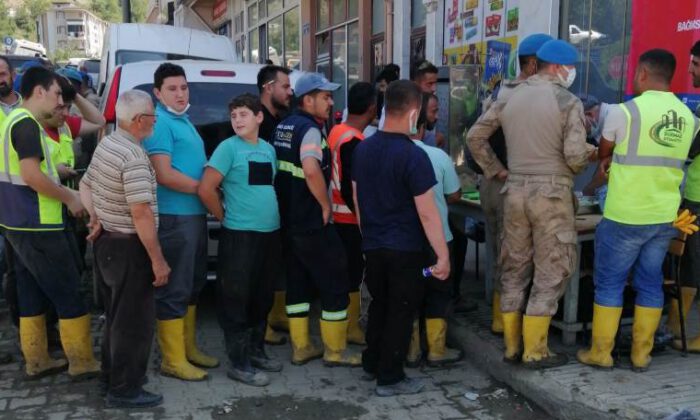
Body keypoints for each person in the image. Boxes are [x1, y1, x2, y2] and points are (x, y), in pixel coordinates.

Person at [467, 39, 596, 369]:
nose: (572, 73)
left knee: (513, 267)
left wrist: (496, 169)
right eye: (571, 67)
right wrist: (594, 153)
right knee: (552, 267)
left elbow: (474, 138)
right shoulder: (567, 101)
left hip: (514, 191)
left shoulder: (510, 96)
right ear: (556, 67)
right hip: (551, 195)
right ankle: (536, 350)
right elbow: (575, 158)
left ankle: (511, 346)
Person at [577, 49, 700, 371]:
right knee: (650, 282)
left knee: (610, 283)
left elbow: (605, 151)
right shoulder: (689, 118)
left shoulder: (624, 112)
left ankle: (601, 353)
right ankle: (641, 355)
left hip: (624, 215)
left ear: (643, 74)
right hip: (663, 217)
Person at [0, 66, 100, 380]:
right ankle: (82, 362)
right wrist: (70, 198)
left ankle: (37, 360)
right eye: (57, 93)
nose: (60, 100)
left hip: (16, 222)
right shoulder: (28, 124)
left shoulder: (13, 120)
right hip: (39, 223)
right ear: (39, 91)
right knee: (69, 289)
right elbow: (31, 175)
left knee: (30, 292)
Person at [353, 80, 450, 396]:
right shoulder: (413, 156)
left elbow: (357, 200)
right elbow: (427, 213)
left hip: (373, 245)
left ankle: (372, 363)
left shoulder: (363, 148)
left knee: (381, 304)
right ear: (414, 111)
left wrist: (367, 236)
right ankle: (390, 377)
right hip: (406, 250)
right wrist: (442, 255)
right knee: (401, 309)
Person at [79, 89, 167, 408]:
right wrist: (157, 261)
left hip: (107, 246)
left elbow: (85, 183)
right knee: (133, 324)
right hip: (130, 248)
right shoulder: (133, 157)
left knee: (116, 317)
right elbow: (141, 213)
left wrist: (95, 215)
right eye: (153, 117)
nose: (155, 122)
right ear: (140, 120)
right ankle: (125, 389)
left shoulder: (108, 144)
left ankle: (111, 377)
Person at [272, 72, 360, 367]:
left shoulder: (284, 125)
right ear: (307, 100)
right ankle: (335, 351)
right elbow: (310, 169)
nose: (330, 102)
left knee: (297, 282)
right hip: (311, 220)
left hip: (289, 220)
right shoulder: (310, 130)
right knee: (335, 280)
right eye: (325, 96)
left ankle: (301, 347)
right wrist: (325, 206)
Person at [470, 33, 553, 334]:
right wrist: (500, 170)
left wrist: (494, 170)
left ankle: (500, 319)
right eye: (550, 65)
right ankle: (511, 326)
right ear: (533, 65)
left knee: (501, 255)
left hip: (494, 187)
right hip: (510, 188)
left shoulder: (499, 92)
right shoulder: (521, 95)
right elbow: (475, 138)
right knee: (516, 260)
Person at [198, 94, 283, 386]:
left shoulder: (268, 150)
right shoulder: (227, 149)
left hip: (269, 234)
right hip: (239, 236)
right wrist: (223, 217)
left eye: (244, 115)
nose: (237, 121)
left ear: (259, 117)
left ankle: (256, 351)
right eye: (234, 116)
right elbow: (206, 189)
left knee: (262, 296)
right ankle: (239, 362)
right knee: (236, 298)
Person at [143, 62, 218, 382]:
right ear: (158, 93)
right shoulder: (160, 123)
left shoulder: (182, 120)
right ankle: (172, 360)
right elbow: (164, 174)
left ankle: (188, 349)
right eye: (172, 88)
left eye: (184, 87)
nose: (179, 93)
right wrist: (205, 190)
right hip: (176, 216)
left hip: (194, 214)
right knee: (175, 287)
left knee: (192, 284)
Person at [406, 92, 462, 368]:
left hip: (406, 243)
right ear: (420, 125)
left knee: (411, 291)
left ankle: (412, 350)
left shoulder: (391, 154)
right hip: (438, 242)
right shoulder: (438, 156)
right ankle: (437, 350)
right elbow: (455, 195)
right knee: (438, 290)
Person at [327, 82, 377, 346]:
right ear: (371, 108)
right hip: (349, 218)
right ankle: (351, 328)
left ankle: (346, 326)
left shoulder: (337, 131)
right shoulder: (354, 141)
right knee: (354, 276)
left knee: (346, 274)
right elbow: (349, 185)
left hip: (337, 216)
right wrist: (364, 219)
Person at [256, 64, 293, 346]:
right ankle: (262, 323)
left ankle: (277, 315)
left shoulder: (280, 118)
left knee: (279, 264)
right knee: (262, 270)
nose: (289, 92)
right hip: (262, 208)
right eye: (285, 86)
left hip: (280, 206)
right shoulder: (258, 122)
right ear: (269, 88)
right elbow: (258, 174)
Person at [667, 40, 700, 345]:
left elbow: (692, 147)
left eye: (696, 64)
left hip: (699, 197)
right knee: (689, 259)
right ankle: (678, 329)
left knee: (693, 260)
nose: (689, 69)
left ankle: (686, 332)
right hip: (694, 194)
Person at [579, 93, 613, 210]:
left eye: (578, 124)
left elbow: (606, 171)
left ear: (589, 114)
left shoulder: (612, 119)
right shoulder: (604, 121)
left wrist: (587, 190)